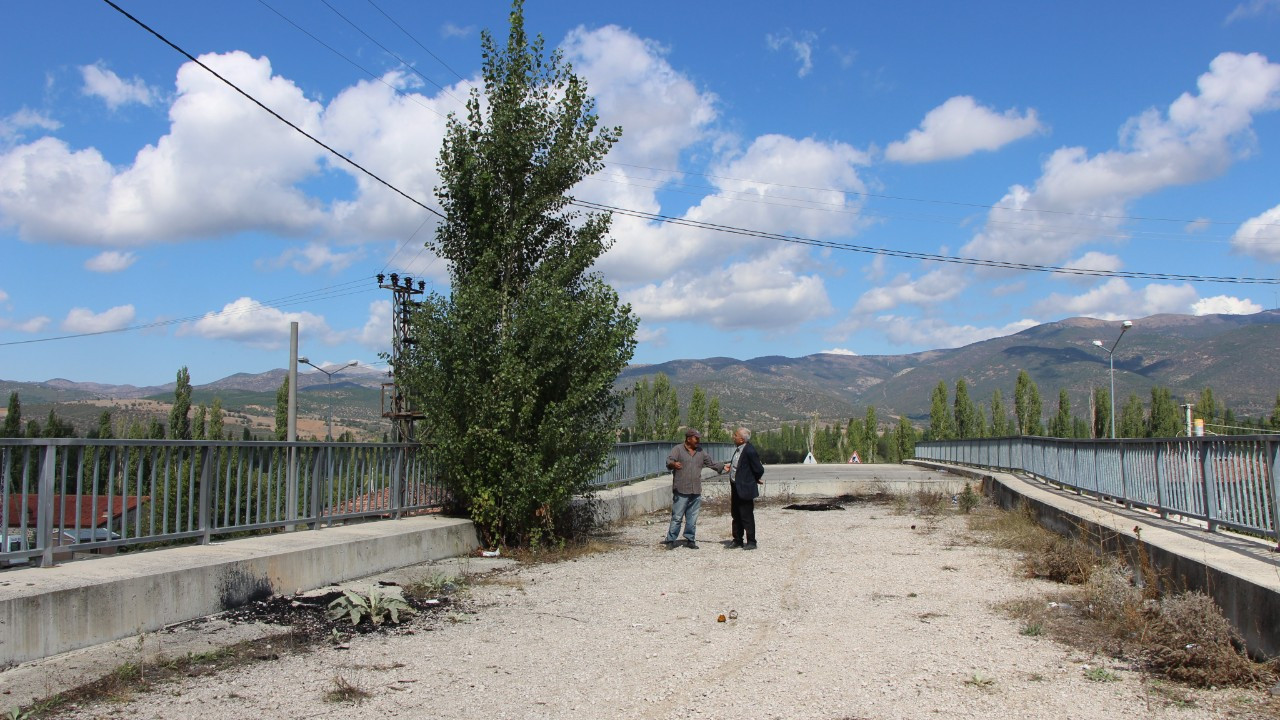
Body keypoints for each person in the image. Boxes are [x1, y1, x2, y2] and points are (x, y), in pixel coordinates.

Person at [664, 428, 722, 549]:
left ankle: (690, 539)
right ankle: (670, 540)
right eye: (696, 438)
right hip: (681, 489)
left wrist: (723, 467)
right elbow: (669, 461)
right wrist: (673, 464)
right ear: (688, 438)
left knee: (692, 517)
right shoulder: (678, 449)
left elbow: (711, 463)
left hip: (695, 489)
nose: (698, 441)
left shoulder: (701, 452)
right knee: (677, 516)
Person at [724, 426, 765, 550]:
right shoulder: (739, 450)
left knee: (746, 515)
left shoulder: (749, 450)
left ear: (742, 439)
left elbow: (759, 469)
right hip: (736, 487)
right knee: (736, 514)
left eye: (735, 435)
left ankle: (751, 541)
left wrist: (753, 479)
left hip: (745, 488)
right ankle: (737, 540)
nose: (733, 437)